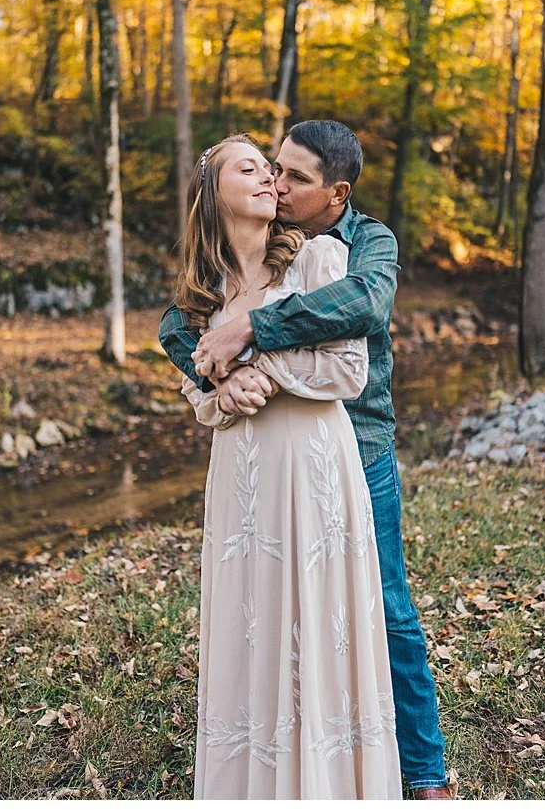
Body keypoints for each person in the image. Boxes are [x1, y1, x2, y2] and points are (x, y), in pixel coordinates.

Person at [160, 121, 453, 800]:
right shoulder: (225, 271)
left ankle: (423, 773)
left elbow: (363, 307)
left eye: (294, 176)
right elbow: (179, 327)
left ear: (336, 193)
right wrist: (218, 379)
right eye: (270, 167)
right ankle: (270, 756)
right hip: (255, 466)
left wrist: (251, 336)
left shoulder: (359, 244)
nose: (277, 182)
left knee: (382, 608)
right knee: (261, 610)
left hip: (356, 445)